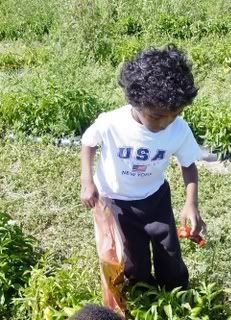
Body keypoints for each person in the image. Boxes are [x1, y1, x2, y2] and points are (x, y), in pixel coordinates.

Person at [80, 45, 206, 290]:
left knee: (170, 252)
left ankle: (176, 291)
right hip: (118, 203)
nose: (167, 122)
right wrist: (87, 180)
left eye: (175, 113)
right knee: (134, 261)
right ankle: (144, 291)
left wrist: (191, 203)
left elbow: (188, 164)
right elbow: (88, 142)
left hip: (155, 199)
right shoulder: (111, 123)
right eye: (158, 116)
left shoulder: (178, 129)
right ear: (136, 103)